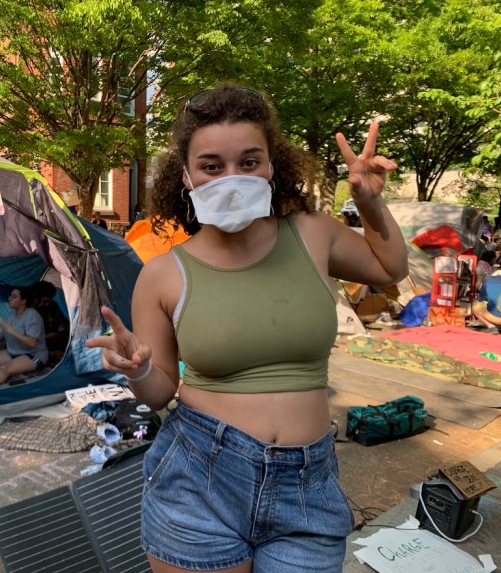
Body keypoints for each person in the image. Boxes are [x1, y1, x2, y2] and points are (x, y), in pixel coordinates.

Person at [85, 84, 408, 573]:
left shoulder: (312, 234)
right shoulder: (163, 274)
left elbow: (389, 268)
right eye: (212, 166)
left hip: (308, 488)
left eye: (250, 162)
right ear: (188, 177)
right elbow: (158, 393)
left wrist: (369, 203)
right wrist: (139, 367)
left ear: (272, 167)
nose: (231, 178)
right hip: (198, 481)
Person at [32, 280, 70, 360]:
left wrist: (57, 334)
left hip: (54, 341)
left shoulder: (53, 305)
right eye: (44, 302)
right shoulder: (29, 309)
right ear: (36, 298)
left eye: (49, 301)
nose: (47, 304)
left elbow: (63, 328)